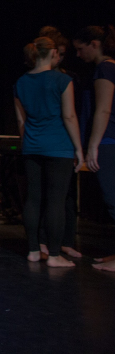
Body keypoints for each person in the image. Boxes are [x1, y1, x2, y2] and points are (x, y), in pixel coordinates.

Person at [14, 37, 84, 268]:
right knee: (56, 200)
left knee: (33, 198)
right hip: (58, 146)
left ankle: (34, 250)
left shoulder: (21, 82)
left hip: (32, 147)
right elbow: (69, 116)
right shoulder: (62, 80)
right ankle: (54, 255)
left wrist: (29, 145)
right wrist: (79, 148)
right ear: (53, 52)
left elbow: (21, 122)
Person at [36, 27, 83, 259]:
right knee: (47, 195)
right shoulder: (37, 79)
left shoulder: (68, 78)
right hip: (48, 142)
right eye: (58, 54)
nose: (60, 59)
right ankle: (44, 241)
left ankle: (65, 241)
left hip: (64, 142)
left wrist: (78, 145)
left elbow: (74, 114)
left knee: (67, 195)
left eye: (64, 54)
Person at [73, 25, 115, 272]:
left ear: (95, 44)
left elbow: (104, 109)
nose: (78, 55)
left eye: (81, 49)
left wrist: (92, 146)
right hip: (109, 139)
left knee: (113, 199)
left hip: (108, 140)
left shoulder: (105, 68)